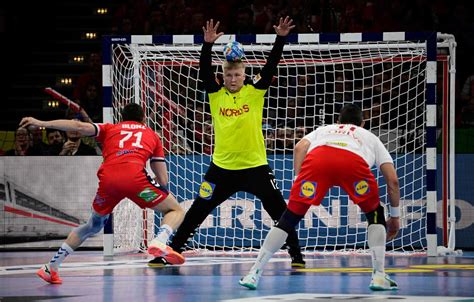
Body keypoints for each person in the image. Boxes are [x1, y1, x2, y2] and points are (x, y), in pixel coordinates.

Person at [148, 17, 305, 268]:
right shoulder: (216, 94)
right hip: (221, 169)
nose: (233, 79)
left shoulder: (255, 92)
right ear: (224, 77)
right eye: (229, 75)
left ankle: (297, 256)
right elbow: (204, 70)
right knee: (196, 212)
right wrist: (207, 45)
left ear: (245, 76)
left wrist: (281, 38)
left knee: (280, 212)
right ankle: (170, 252)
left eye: (238, 74)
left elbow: (272, 64)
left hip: (255, 167)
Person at [239, 104, 400, 291]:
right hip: (353, 164)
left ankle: (254, 273)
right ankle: (379, 276)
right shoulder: (370, 137)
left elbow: (300, 147)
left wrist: (298, 180)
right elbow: (393, 181)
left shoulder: (325, 129)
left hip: (318, 161)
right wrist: (395, 217)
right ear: (362, 124)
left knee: (288, 218)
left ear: (338, 121)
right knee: (375, 214)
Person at [20, 103, 185, 284]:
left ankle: (51, 267)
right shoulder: (152, 135)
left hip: (108, 183)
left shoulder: (110, 128)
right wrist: (153, 190)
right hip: (137, 184)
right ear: (143, 119)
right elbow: (163, 179)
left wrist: (42, 122)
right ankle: (160, 241)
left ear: (121, 118)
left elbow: (78, 126)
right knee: (174, 210)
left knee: (92, 225)